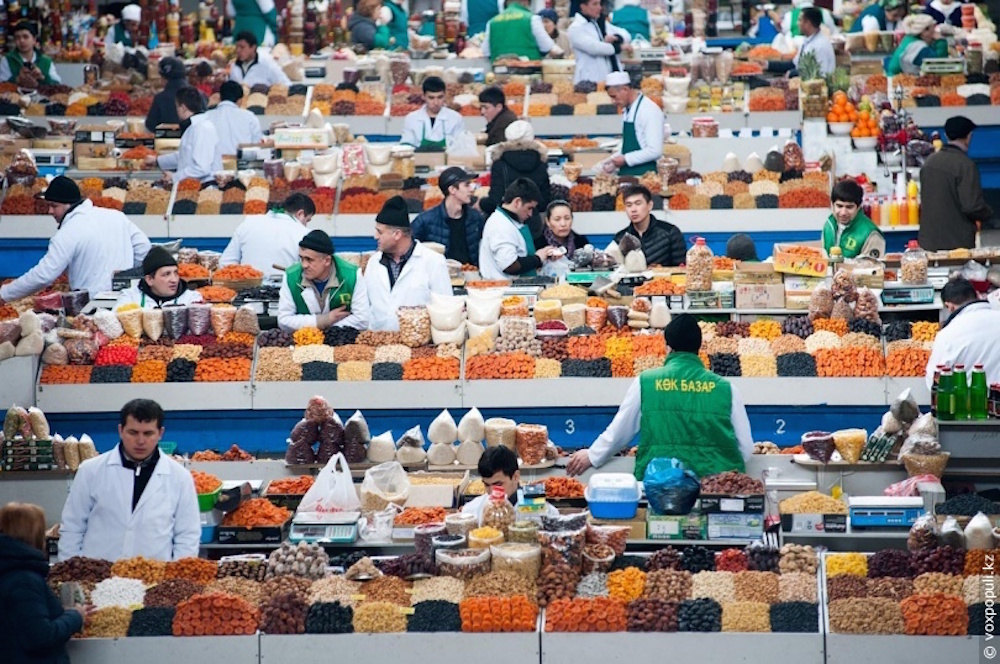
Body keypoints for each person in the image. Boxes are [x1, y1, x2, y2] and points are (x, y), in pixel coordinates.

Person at [567, 314, 754, 480]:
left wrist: (592, 455)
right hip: (715, 489)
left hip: (662, 485)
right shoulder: (727, 389)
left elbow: (621, 430)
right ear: (699, 347)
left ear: (668, 347)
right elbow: (746, 448)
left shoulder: (646, 382)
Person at [59, 399, 201, 562]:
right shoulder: (90, 470)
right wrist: (69, 572)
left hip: (155, 579)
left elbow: (188, 535)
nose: (140, 441)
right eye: (133, 433)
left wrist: (176, 579)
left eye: (148, 433)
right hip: (97, 577)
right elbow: (72, 527)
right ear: (120, 430)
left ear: (160, 433)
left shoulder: (180, 477)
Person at [0, 177, 150, 305]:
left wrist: (5, 294)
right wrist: (122, 274)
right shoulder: (117, 216)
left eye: (54, 206)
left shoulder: (68, 232)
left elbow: (44, 275)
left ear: (68, 204)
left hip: (90, 307)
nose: (50, 212)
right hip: (127, 303)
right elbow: (144, 250)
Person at [351, 196, 453, 330]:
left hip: (418, 345)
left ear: (397, 235)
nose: (375, 236)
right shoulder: (374, 262)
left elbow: (445, 308)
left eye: (380, 232)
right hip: (378, 343)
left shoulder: (433, 262)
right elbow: (366, 307)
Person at [0, 503, 84, 662]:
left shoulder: (8, 570)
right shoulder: (24, 579)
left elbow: (21, 619)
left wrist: (58, 611)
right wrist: (76, 616)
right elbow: (41, 636)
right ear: (35, 535)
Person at [919, 116, 993, 251]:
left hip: (928, 242)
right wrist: (988, 214)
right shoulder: (965, 165)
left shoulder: (929, 162)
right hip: (957, 244)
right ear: (969, 136)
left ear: (946, 135)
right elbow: (972, 206)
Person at [278, 229, 367, 332]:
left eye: (309, 260)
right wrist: (325, 320)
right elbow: (284, 320)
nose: (304, 265)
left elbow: (362, 319)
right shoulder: (291, 276)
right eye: (301, 258)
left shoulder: (352, 275)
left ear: (327, 261)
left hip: (342, 344)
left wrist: (330, 332)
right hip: (303, 344)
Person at [925, 277, 1000, 389]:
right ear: (978, 295)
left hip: (968, 403)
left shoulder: (948, 334)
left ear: (949, 306)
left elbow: (933, 381)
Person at [479, 178, 558, 280]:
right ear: (517, 202)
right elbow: (510, 265)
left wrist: (543, 255)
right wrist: (537, 259)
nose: (530, 214)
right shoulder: (501, 226)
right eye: (529, 208)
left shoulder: (512, 222)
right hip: (502, 289)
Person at [221, 192, 315, 276]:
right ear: (300, 214)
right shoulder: (304, 233)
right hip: (286, 292)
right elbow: (310, 273)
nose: (306, 225)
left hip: (246, 290)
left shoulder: (249, 222)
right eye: (307, 220)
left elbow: (226, 262)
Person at [485, 121, 552, 239]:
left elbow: (495, 199)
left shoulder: (500, 164)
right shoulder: (540, 163)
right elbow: (544, 201)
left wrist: (481, 204)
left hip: (506, 224)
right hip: (533, 225)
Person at [460, 446, 558, 524]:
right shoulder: (474, 509)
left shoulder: (534, 503)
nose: (491, 492)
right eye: (486, 485)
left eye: (498, 484)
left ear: (516, 477)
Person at [412, 166, 486, 266]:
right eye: (466, 185)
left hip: (471, 276)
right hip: (439, 277)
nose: (471, 189)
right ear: (452, 189)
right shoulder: (425, 220)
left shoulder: (475, 217)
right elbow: (409, 248)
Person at [146, 87, 222, 183]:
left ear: (183, 108)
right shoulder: (193, 126)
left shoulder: (202, 128)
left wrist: (175, 177)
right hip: (193, 186)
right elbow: (185, 156)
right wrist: (157, 161)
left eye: (177, 106)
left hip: (205, 187)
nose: (176, 111)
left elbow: (202, 168)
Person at [604, 71, 664, 177]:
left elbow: (655, 151)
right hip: (627, 174)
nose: (612, 102)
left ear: (625, 90)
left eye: (614, 97)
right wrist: (614, 160)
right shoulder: (628, 110)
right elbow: (628, 145)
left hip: (644, 175)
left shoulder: (649, 110)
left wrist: (626, 159)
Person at [613, 185, 686, 267]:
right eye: (629, 205)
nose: (633, 209)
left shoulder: (670, 232)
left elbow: (681, 268)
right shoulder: (620, 238)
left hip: (663, 279)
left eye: (638, 204)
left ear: (649, 205)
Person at [115, 247, 205, 309]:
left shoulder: (191, 298)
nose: (174, 280)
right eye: (166, 274)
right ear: (149, 280)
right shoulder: (130, 297)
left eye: (176, 273)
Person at [568, 0, 630, 84]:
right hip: (589, 80)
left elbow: (626, 34)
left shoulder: (600, 23)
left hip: (609, 79)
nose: (599, 7)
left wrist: (616, 38)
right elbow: (594, 48)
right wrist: (619, 47)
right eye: (594, 4)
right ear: (583, 6)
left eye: (600, 4)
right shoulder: (575, 28)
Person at [822, 179, 885, 259]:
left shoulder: (871, 234)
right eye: (839, 206)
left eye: (849, 207)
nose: (843, 212)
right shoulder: (829, 224)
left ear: (858, 207)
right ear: (832, 205)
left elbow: (873, 268)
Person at [400, 77, 466, 151]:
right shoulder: (411, 119)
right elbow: (406, 146)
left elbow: (460, 147)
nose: (436, 102)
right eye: (431, 98)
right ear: (423, 97)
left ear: (445, 96)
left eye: (440, 97)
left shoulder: (455, 118)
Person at [483, 0, 560, 61]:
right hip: (529, 74)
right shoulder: (532, 19)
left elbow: (486, 52)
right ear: (525, 1)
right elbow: (548, 47)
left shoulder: (491, 22)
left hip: (499, 76)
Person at [205, 81, 263, 156]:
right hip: (242, 165)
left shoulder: (207, 116)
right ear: (240, 100)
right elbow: (256, 146)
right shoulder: (249, 117)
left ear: (220, 97)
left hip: (213, 166)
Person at [145, 57, 190, 132]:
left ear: (164, 78)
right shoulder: (200, 95)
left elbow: (150, 125)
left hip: (167, 142)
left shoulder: (160, 99)